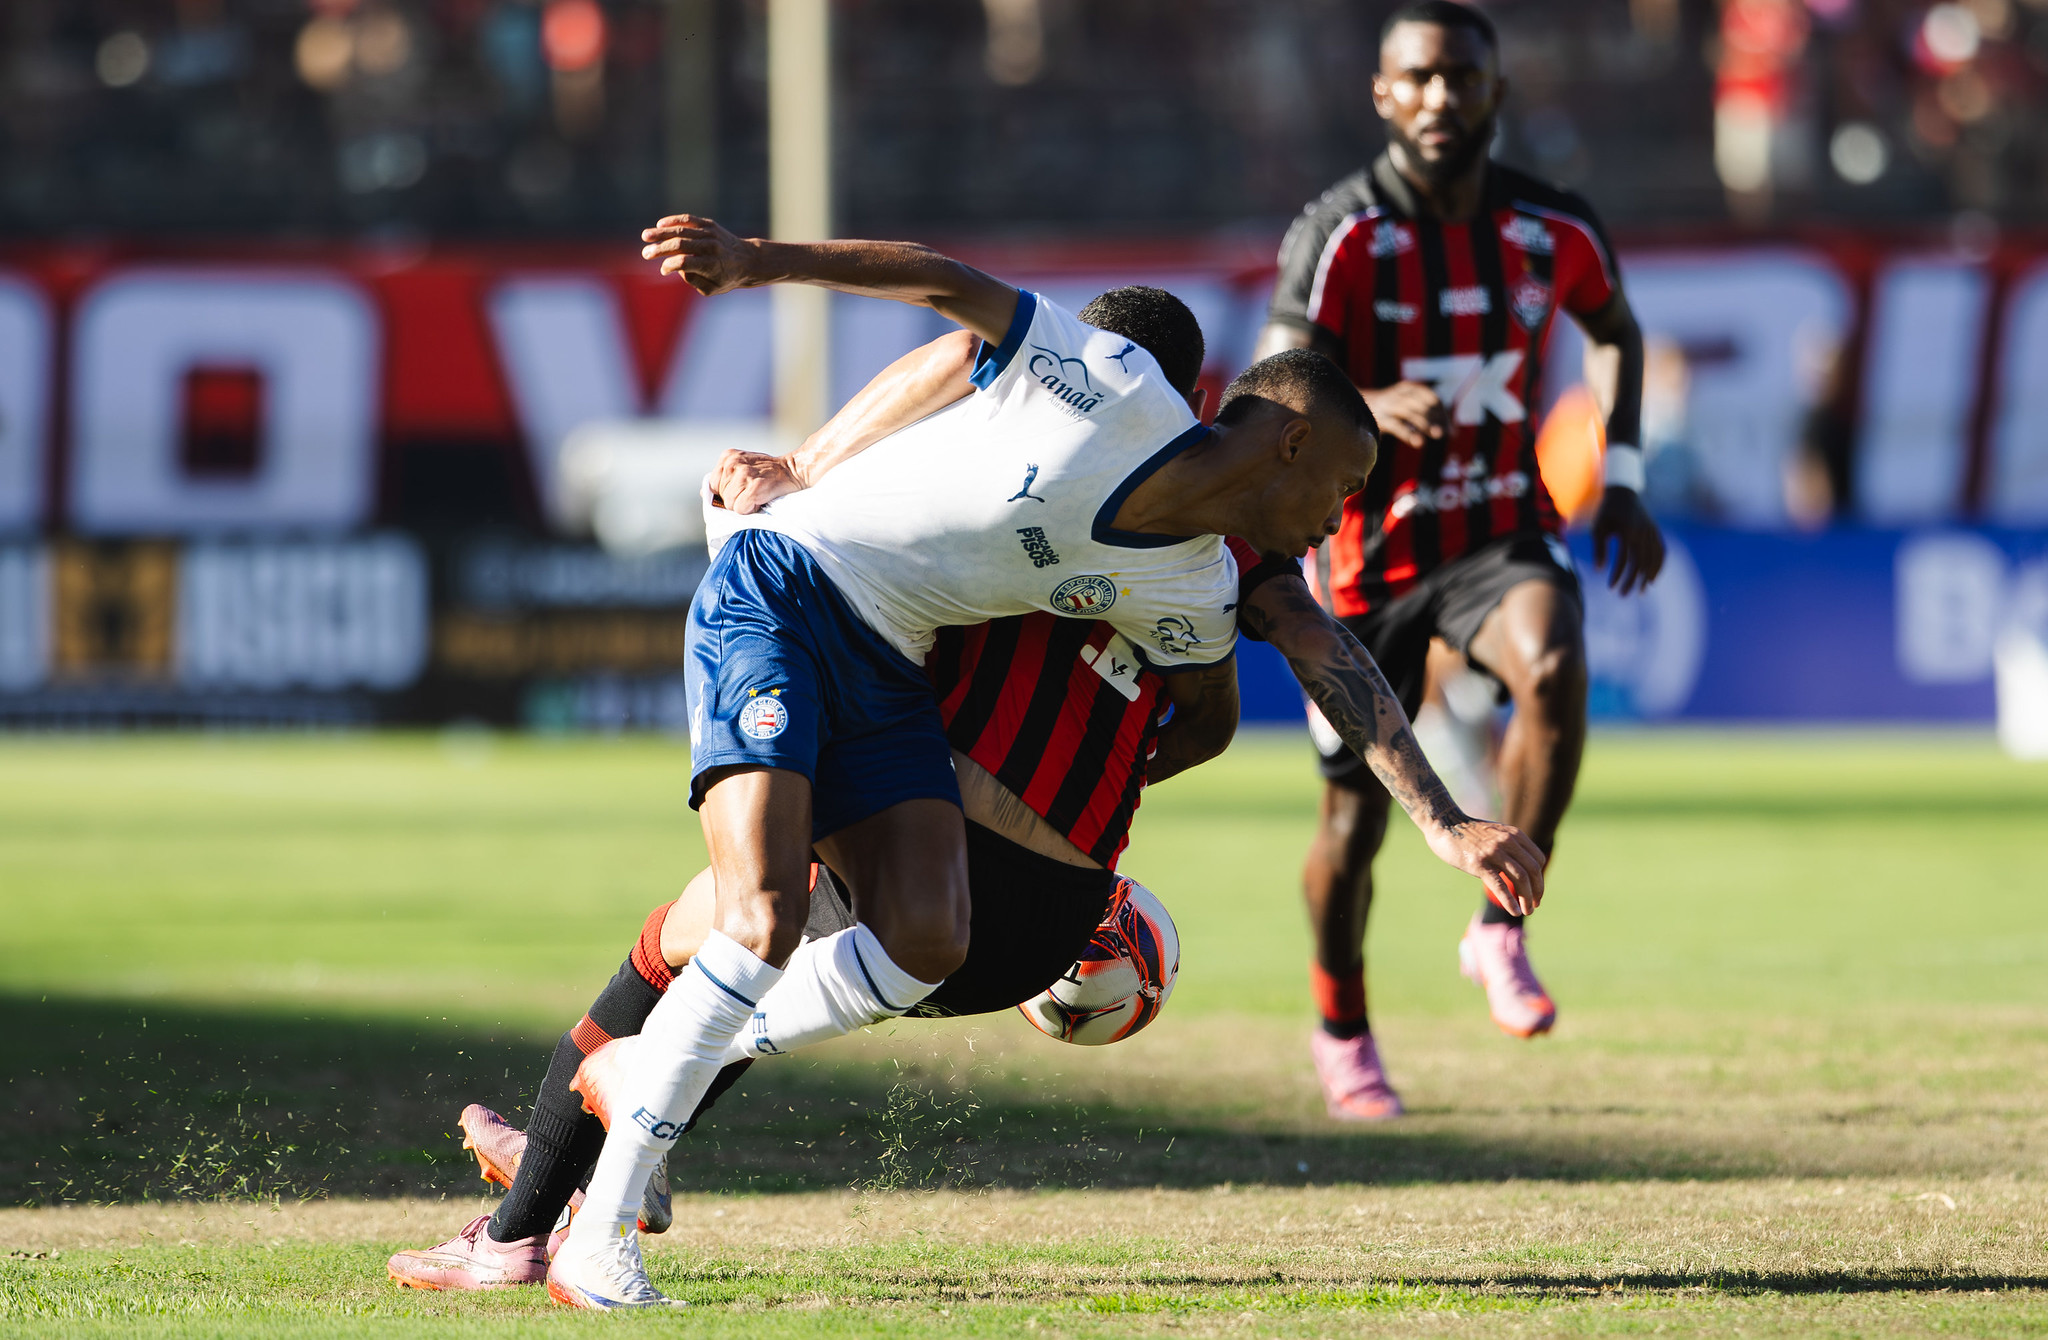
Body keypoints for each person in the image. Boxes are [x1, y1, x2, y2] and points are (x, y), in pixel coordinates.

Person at [386, 287, 1544, 1298]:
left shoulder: (1021, 483)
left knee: (711, 931)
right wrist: (1119, 791)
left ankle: (549, 1197)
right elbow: (1239, 706)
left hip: (951, 853)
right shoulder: (1227, 545)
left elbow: (947, 351)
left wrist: (802, 468)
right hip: (1045, 907)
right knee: (747, 938)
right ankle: (577, 1181)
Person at [1255, 0, 1666, 1122]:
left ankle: (1498, 924)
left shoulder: (1551, 227)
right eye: (1419, 79)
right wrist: (1366, 404)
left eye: (1461, 79)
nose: (1441, 97)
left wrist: (1620, 478)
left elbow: (1616, 330)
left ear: (1493, 92)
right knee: (1352, 822)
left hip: (1495, 525)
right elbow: (1269, 386)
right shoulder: (1339, 234)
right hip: (1363, 551)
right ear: (1383, 94)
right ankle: (1340, 1026)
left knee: (1554, 660)